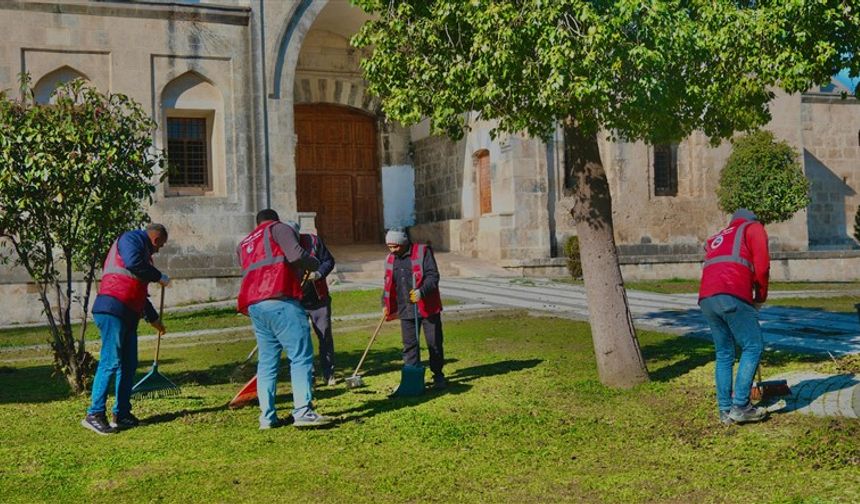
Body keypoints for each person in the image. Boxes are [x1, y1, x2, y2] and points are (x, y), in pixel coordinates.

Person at [237, 209, 331, 429]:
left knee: (267, 362)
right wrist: (314, 264)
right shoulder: (279, 228)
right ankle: (303, 411)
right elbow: (296, 255)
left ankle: (267, 417)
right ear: (275, 219)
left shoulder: (244, 242)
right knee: (300, 356)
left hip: (255, 305)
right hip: (281, 298)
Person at [82, 223, 170, 435]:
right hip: (112, 308)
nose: (158, 250)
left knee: (129, 364)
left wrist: (154, 319)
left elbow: (139, 291)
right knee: (110, 361)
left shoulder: (143, 255)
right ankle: (94, 414)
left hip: (128, 313)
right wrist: (158, 276)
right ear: (156, 240)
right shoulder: (131, 239)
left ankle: (121, 414)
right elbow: (132, 264)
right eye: (160, 246)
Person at [698, 208, 770, 425]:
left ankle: (724, 411)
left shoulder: (719, 236)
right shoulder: (753, 228)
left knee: (724, 353)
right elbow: (763, 266)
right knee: (753, 346)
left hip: (706, 298)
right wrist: (760, 296)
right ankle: (741, 406)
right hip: (732, 293)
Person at [382, 229, 447, 390]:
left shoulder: (423, 252)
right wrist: (385, 304)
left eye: (395, 246)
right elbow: (388, 282)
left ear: (404, 243)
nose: (392, 250)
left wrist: (421, 292)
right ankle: (413, 378)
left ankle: (438, 375)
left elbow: (433, 276)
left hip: (427, 307)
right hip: (406, 308)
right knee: (409, 345)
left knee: (434, 343)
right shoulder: (390, 259)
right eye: (389, 246)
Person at [285, 221, 338, 386]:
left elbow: (329, 261)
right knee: (301, 339)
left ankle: (329, 373)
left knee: (324, 336)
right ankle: (309, 375)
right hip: (295, 301)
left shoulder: (313, 241)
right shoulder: (280, 247)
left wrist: (318, 274)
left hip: (318, 300)